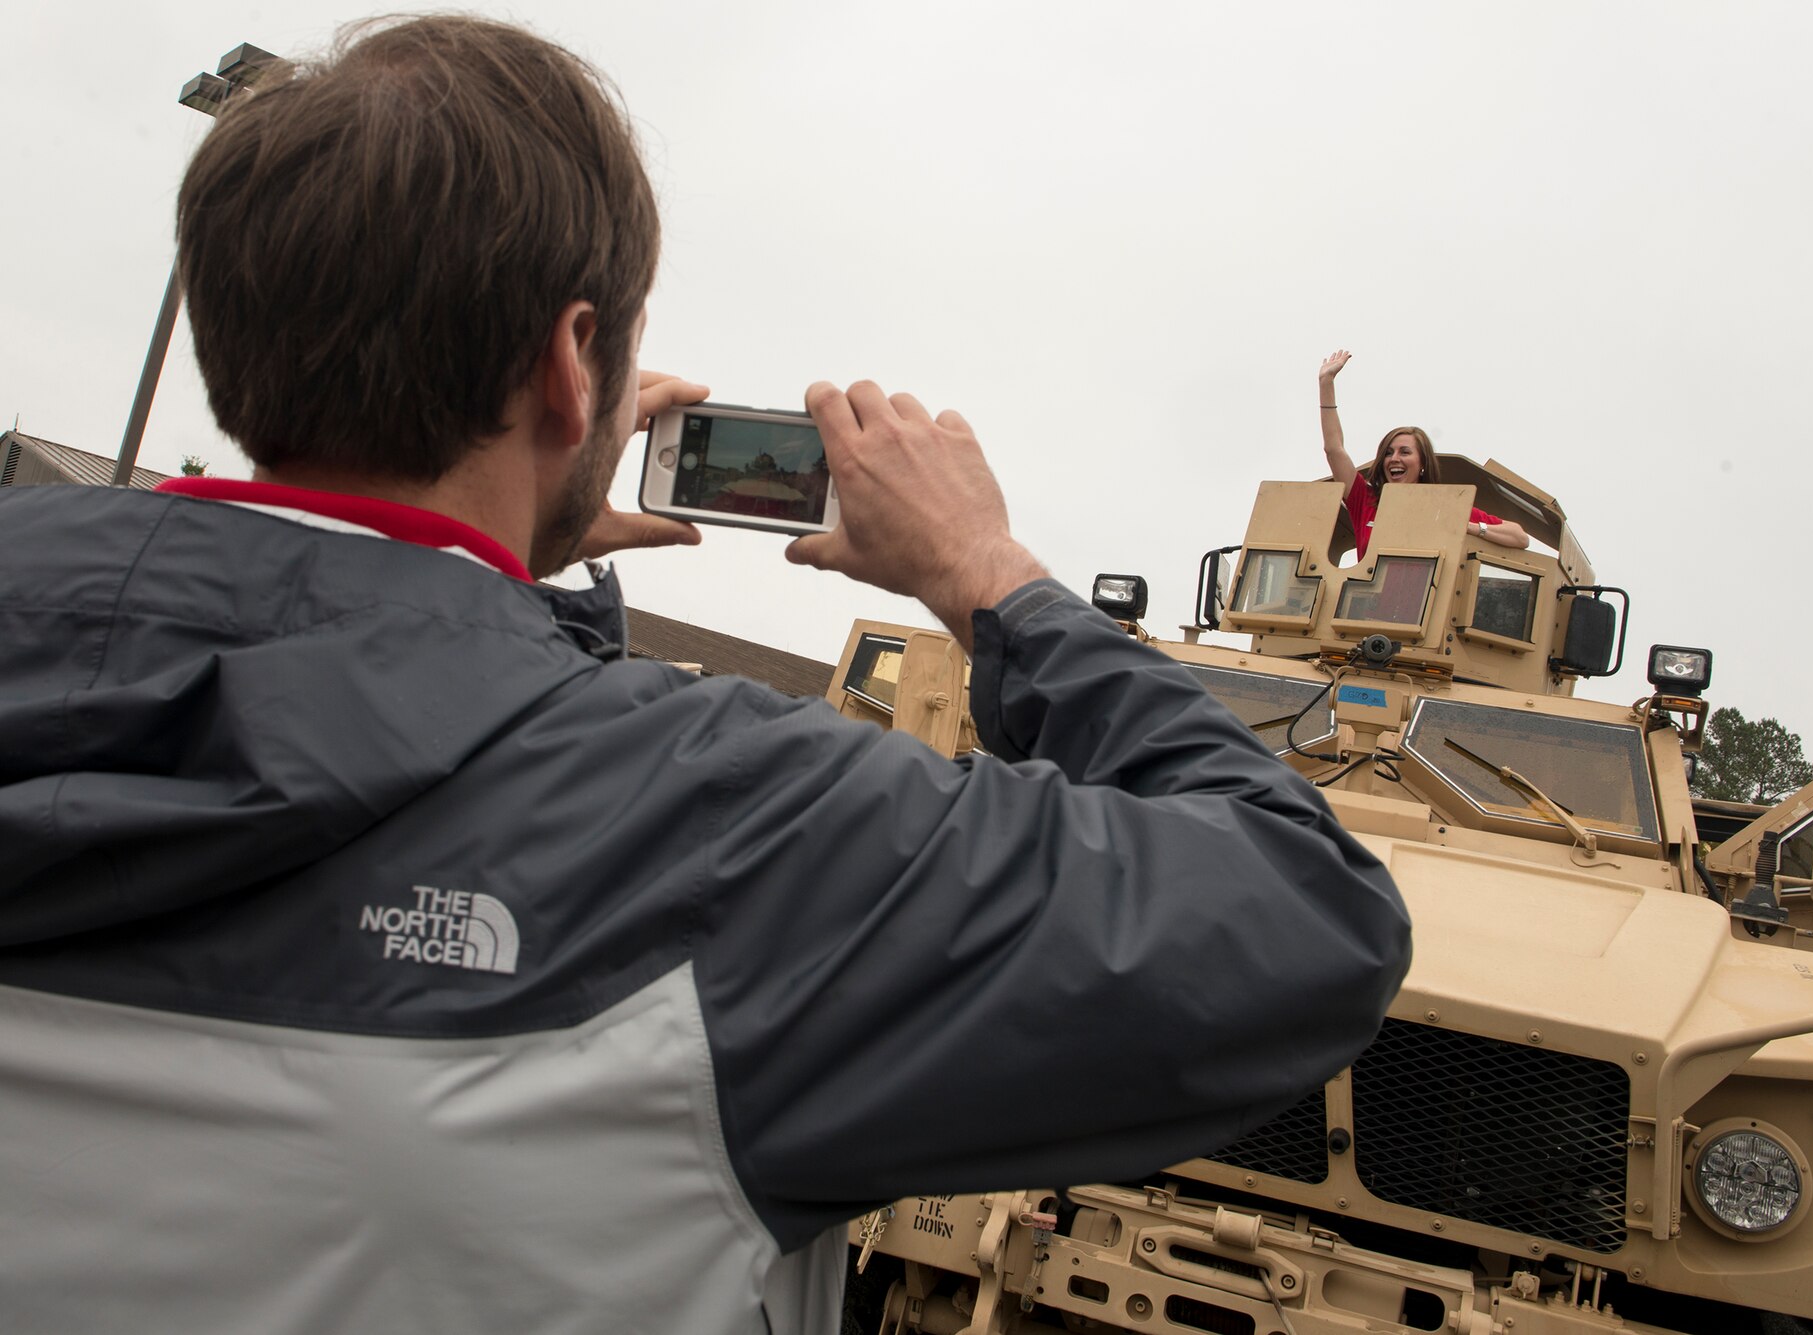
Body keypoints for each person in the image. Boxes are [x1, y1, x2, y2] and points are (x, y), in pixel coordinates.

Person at [0, 17, 1410, 1335]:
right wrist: (990, 574)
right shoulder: (740, 823)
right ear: (573, 367)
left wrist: (495, 579)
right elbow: (1304, 911)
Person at [1317, 350, 1529, 560]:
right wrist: (1326, 383)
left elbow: (1519, 537)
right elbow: (1334, 450)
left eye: (1405, 452)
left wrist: (1467, 527)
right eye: (1388, 453)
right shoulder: (1366, 501)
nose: (1394, 458)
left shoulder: (1446, 508)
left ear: (1422, 464)